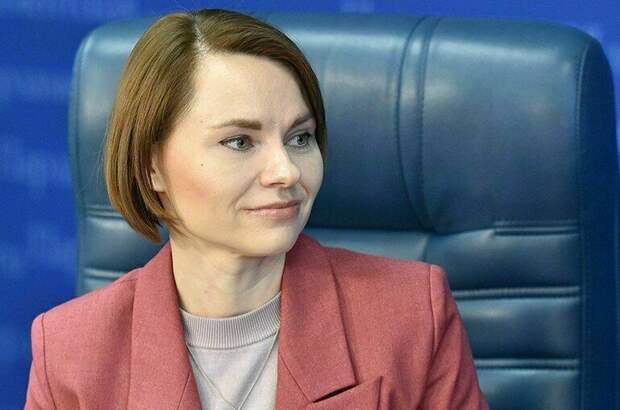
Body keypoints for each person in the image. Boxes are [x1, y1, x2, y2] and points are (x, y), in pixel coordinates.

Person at [25, 8, 488, 409]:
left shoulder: (411, 315)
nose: (286, 171)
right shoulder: (70, 352)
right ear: (152, 168)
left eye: (300, 137)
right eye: (240, 142)